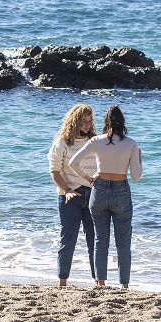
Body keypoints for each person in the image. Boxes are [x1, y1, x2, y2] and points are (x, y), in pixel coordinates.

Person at [69, 105, 142, 289]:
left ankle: (100, 283)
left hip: (99, 190)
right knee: (123, 242)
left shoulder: (96, 141)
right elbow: (136, 176)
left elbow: (73, 162)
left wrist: (88, 178)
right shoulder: (131, 144)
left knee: (100, 239)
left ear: (106, 122)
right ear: (123, 122)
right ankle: (124, 285)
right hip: (121, 192)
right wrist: (138, 157)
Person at [47, 103, 98, 287]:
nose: (86, 125)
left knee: (95, 240)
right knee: (68, 239)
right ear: (74, 121)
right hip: (70, 196)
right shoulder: (62, 142)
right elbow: (54, 170)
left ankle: (99, 282)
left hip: (93, 195)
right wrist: (67, 191)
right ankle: (62, 282)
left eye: (89, 121)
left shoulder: (94, 140)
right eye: (83, 121)